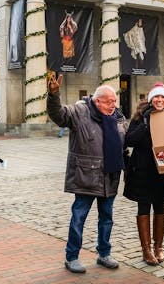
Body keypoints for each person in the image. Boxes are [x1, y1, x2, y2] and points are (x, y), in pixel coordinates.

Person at [47, 74, 128, 274]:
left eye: (115, 101)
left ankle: (104, 253)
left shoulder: (117, 116)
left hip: (110, 176)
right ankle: (72, 256)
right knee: (79, 217)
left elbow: (126, 137)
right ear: (97, 101)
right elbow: (58, 114)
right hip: (86, 175)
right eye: (109, 102)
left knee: (107, 218)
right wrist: (53, 94)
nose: (113, 105)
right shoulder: (79, 112)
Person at [124, 82, 164, 266]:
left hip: (162, 171)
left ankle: (158, 247)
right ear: (151, 98)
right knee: (144, 208)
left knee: (161, 208)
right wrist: (147, 124)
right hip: (142, 171)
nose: (159, 100)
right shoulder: (140, 117)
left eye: (163, 97)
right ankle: (146, 250)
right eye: (156, 97)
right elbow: (129, 140)